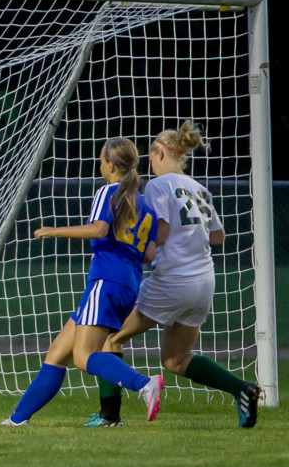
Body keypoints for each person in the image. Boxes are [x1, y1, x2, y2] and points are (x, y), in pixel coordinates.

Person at [85, 121, 262, 429]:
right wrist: (189, 237)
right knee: (175, 359)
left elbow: (162, 231)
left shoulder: (158, 186)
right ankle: (243, 389)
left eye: (151, 157)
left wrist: (134, 250)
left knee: (107, 338)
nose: (149, 164)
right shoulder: (199, 189)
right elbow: (218, 236)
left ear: (161, 154)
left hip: (172, 282)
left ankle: (109, 416)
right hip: (204, 283)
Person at [0, 137, 161, 426]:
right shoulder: (145, 205)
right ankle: (17, 419)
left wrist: (55, 231)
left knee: (83, 356)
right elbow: (149, 253)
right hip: (128, 284)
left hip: (106, 280)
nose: (100, 165)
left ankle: (144, 384)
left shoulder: (110, 191)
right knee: (57, 353)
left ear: (110, 165)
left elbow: (99, 229)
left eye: (101, 161)